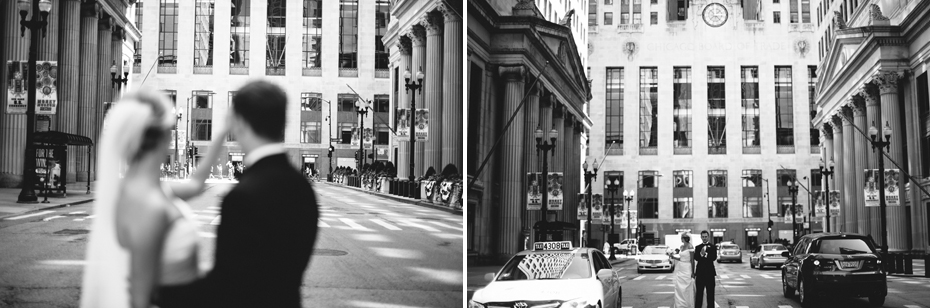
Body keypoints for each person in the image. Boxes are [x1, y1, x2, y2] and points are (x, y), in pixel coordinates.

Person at [79, 88, 228, 308]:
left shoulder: (146, 189)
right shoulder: (149, 206)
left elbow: (195, 185)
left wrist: (223, 131)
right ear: (166, 136)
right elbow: (141, 300)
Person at [199, 80, 319, 307]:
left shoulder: (242, 197)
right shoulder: (303, 188)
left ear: (240, 123)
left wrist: (161, 291)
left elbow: (225, 286)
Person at [669, 232, 695, 308]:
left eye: (682, 238)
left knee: (686, 287)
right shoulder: (681, 247)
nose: (681, 239)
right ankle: (680, 305)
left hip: (687, 268)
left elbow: (692, 260)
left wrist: (693, 272)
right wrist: (673, 257)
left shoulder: (690, 246)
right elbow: (681, 258)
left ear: (684, 238)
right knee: (679, 287)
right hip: (681, 268)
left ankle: (688, 304)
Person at [693, 230, 718, 308]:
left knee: (710, 294)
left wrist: (705, 254)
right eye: (703, 237)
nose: (704, 238)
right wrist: (701, 254)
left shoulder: (713, 247)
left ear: (708, 237)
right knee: (699, 294)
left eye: (705, 237)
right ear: (701, 237)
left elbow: (713, 258)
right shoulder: (697, 247)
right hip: (700, 274)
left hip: (710, 274)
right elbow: (696, 258)